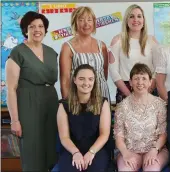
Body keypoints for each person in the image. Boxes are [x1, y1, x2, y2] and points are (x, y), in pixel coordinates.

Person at [6, 11, 59, 171]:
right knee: (32, 150)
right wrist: (14, 120)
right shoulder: (18, 52)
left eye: (41, 26)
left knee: (52, 148)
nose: (37, 30)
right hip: (28, 104)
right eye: (32, 26)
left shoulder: (51, 52)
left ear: (45, 29)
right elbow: (11, 88)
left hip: (51, 102)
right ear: (25, 30)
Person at [114, 63, 169, 171]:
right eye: (136, 78)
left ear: (150, 82)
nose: (140, 82)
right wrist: (125, 153)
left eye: (144, 78)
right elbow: (118, 136)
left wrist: (154, 150)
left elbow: (163, 134)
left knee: (151, 169)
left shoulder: (159, 104)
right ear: (130, 82)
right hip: (130, 151)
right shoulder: (122, 107)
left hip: (156, 150)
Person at [57, 64, 111, 172]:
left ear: (94, 81)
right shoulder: (63, 105)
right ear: (75, 80)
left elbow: (104, 134)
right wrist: (76, 153)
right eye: (81, 79)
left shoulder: (103, 103)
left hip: (96, 149)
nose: (86, 83)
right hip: (71, 150)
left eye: (90, 79)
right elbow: (64, 137)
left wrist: (91, 152)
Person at [109, 4, 159, 104]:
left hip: (149, 90)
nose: (135, 19)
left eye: (139, 16)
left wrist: (147, 91)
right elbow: (114, 72)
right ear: (126, 21)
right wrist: (130, 95)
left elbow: (158, 68)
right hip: (126, 90)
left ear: (144, 21)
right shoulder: (117, 40)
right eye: (131, 16)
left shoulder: (152, 41)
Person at [60, 6, 110, 100]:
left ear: (94, 22)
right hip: (78, 97)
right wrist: (66, 104)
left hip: (102, 93)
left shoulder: (101, 45)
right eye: (81, 20)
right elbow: (65, 80)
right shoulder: (67, 47)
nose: (86, 24)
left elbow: (105, 72)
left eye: (89, 20)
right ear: (75, 23)